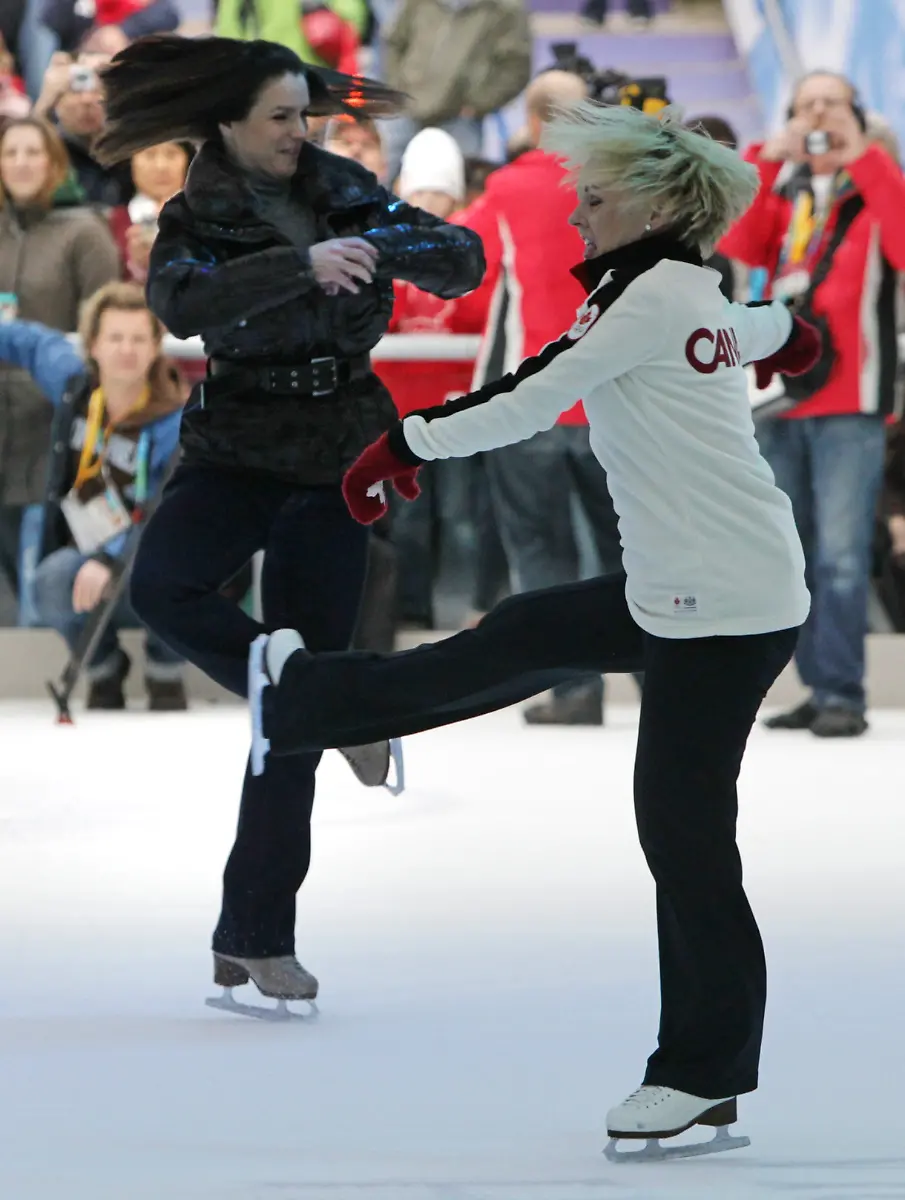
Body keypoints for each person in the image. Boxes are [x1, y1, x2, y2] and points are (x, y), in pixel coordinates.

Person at [252, 102, 820, 1151]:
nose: (577, 214)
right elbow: (763, 328)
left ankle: (700, 1074)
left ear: (653, 203)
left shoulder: (649, 297)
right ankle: (307, 704)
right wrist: (796, 341)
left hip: (719, 613)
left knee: (683, 836)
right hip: (685, 590)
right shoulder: (689, 289)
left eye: (594, 198)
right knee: (518, 634)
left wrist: (401, 446)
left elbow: (528, 395)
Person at [93, 34, 484, 1007]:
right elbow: (185, 306)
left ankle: (256, 935)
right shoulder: (197, 210)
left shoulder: (342, 184)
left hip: (334, 449)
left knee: (285, 728)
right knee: (163, 588)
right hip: (234, 439)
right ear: (227, 123)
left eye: (302, 114)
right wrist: (302, 265)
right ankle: (322, 693)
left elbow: (461, 262)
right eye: (277, 116)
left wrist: (379, 242)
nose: (294, 133)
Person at [718, 71, 905, 738]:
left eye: (832, 102)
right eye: (806, 105)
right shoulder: (787, 190)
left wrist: (865, 156)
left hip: (850, 398)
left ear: (856, 114)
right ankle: (814, 683)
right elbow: (734, 247)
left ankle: (842, 691)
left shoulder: (874, 187)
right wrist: (768, 159)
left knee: (842, 555)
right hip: (779, 398)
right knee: (787, 557)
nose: (819, 113)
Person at [460, 68, 636, 725]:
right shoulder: (622, 189)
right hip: (612, 403)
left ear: (531, 124)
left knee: (540, 553)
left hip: (529, 401)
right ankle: (657, 677)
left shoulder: (504, 189)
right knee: (628, 551)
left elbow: (472, 284)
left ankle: (572, 689)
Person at [1, 283, 188, 708]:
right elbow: (32, 343)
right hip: (89, 562)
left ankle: (165, 670)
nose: (127, 350)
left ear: (157, 346)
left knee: (179, 573)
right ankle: (104, 669)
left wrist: (111, 558)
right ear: (93, 345)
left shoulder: (177, 422)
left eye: (139, 338)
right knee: (49, 579)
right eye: (115, 338)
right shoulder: (76, 388)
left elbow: (168, 519)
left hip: (154, 564)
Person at [0, 115, 120, 622]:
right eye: (11, 153)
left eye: (33, 152)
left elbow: (104, 332)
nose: (22, 163)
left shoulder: (84, 233)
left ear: (54, 163)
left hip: (49, 434)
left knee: (35, 584)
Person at [108, 140, 193, 281]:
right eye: (149, 155)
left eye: (171, 154)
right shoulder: (114, 221)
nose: (161, 166)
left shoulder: (205, 216)